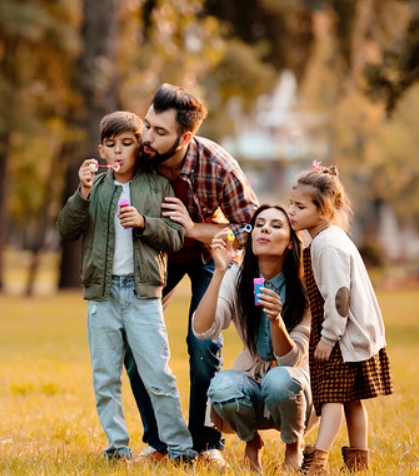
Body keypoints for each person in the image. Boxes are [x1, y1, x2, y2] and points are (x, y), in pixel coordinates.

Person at [125, 83, 260, 468]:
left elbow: (252, 228)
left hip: (205, 256)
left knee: (203, 346)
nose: (147, 137)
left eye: (159, 132)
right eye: (147, 125)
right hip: (154, 255)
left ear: (186, 137)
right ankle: (159, 442)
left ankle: (205, 444)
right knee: (134, 345)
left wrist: (195, 229)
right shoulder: (140, 152)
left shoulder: (218, 165)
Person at [56, 111, 196, 464]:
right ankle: (117, 449)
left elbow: (176, 237)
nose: (118, 152)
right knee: (106, 380)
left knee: (159, 376)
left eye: (127, 144)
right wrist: (82, 193)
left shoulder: (156, 186)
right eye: (110, 145)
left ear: (139, 148)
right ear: (101, 151)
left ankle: (180, 449)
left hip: (142, 295)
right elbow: (65, 229)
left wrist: (144, 222)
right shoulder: (95, 189)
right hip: (102, 296)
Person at [192, 204, 319, 473]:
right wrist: (218, 271)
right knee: (221, 387)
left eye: (276, 225)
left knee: (279, 380)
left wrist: (276, 320)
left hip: (294, 383)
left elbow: (291, 359)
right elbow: (202, 330)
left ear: (289, 242)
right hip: (251, 376)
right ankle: (251, 441)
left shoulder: (304, 284)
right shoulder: (237, 276)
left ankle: (294, 443)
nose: (264, 228)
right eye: (259, 224)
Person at [287, 161, 393, 475]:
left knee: (331, 398)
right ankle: (359, 461)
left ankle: (318, 461)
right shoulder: (328, 238)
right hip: (357, 335)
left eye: (300, 206)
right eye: (290, 204)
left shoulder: (326, 245)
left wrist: (329, 337)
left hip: (343, 336)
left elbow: (339, 296)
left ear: (324, 210)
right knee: (352, 400)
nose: (291, 211)